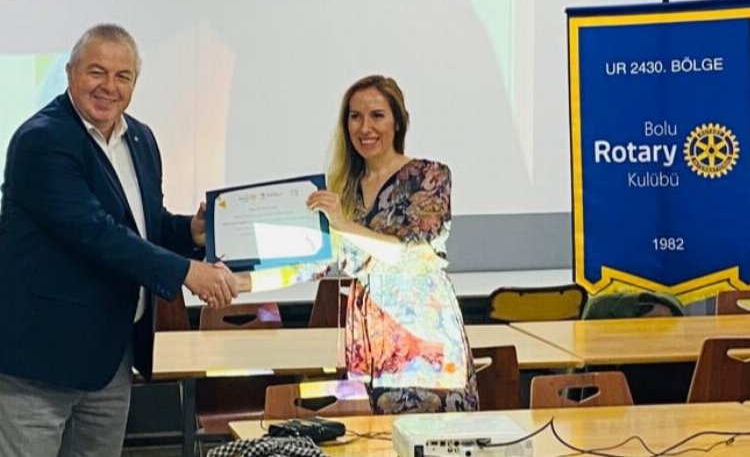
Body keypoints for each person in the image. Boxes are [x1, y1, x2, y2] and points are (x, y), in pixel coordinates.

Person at [0, 24, 238, 457]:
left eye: (122, 76)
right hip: (39, 365)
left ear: (134, 83)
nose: (109, 86)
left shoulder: (141, 139)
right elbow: (95, 233)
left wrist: (190, 231)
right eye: (97, 72)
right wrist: (187, 272)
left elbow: (143, 225)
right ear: (71, 73)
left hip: (111, 358)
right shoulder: (42, 140)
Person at [244, 75, 478, 414]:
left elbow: (415, 253)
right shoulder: (344, 190)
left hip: (423, 342)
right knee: (375, 438)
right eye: (355, 117)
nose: (365, 127)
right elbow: (312, 262)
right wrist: (239, 282)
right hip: (370, 345)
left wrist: (344, 225)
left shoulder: (430, 176)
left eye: (377, 115)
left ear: (398, 122)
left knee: (432, 437)